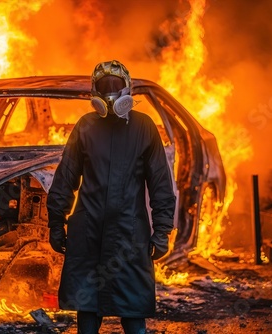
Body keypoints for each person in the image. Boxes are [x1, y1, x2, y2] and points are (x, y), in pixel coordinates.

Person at [47, 60, 176, 334]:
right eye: (104, 87)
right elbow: (66, 178)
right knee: (88, 308)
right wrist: (56, 222)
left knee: (132, 310)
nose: (110, 92)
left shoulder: (144, 127)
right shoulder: (85, 126)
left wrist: (163, 230)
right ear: (94, 93)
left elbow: (160, 185)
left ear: (128, 91)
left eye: (116, 86)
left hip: (128, 237)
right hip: (89, 234)